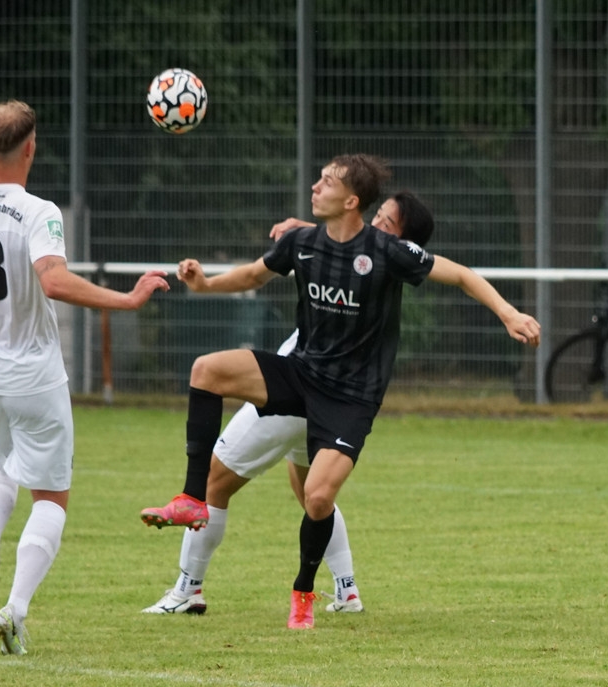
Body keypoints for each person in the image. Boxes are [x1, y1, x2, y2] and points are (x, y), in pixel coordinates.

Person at [141, 154, 541, 629]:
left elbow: (460, 274)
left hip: (349, 398)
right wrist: (205, 284)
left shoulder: (388, 254)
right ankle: (197, 508)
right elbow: (253, 275)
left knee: (305, 496)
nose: (315, 186)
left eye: (327, 181)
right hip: (301, 374)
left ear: (352, 201)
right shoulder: (306, 241)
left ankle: (276, 590)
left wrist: (509, 313)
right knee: (208, 372)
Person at [0, 99, 169, 655]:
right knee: (51, 496)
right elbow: (53, 281)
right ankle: (16, 610)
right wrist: (127, 299)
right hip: (30, 374)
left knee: (0, 463)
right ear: (31, 147)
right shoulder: (39, 211)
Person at [142, 191, 435, 616]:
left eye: (386, 224)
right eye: (377, 216)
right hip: (329, 401)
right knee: (311, 493)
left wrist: (309, 232)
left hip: (298, 390)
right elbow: (346, 247)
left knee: (214, 482)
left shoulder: (380, 260)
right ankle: (347, 589)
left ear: (405, 245)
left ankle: (188, 589)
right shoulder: (372, 261)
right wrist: (311, 229)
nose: (374, 227)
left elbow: (350, 253)